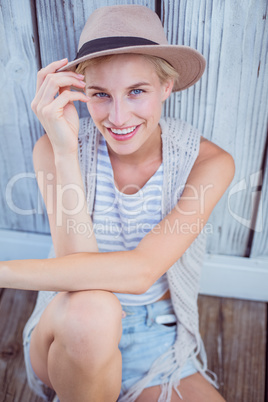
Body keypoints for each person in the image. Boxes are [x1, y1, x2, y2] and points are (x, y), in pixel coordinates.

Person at [1, 5, 234, 402]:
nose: (118, 116)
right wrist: (63, 150)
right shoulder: (56, 148)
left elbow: (142, 271)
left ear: (167, 87)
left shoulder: (208, 163)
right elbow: (76, 279)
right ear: (81, 93)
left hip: (155, 337)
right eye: (101, 95)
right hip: (70, 328)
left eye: (137, 91)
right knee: (93, 313)